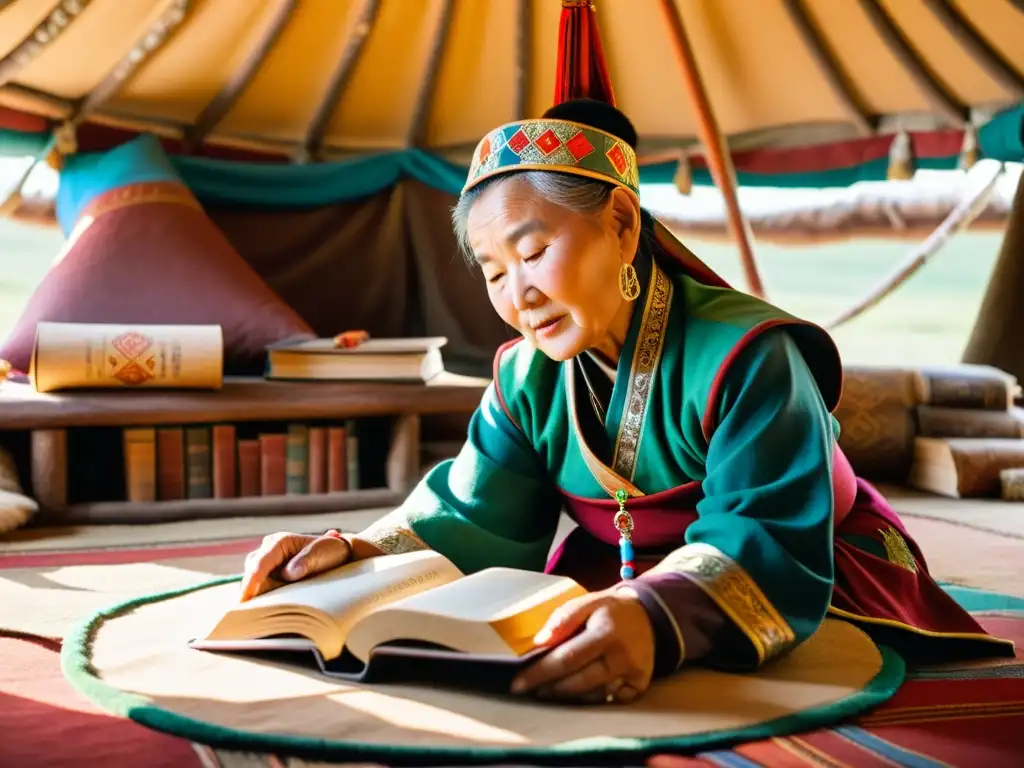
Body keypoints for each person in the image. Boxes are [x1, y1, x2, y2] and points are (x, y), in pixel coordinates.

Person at [240, 97, 1013, 705]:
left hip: (803, 571)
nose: (519, 294)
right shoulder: (524, 375)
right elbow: (475, 514)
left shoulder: (751, 355)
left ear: (619, 222)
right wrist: (359, 553)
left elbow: (765, 530)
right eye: (492, 269)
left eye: (534, 250)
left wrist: (657, 615)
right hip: (617, 577)